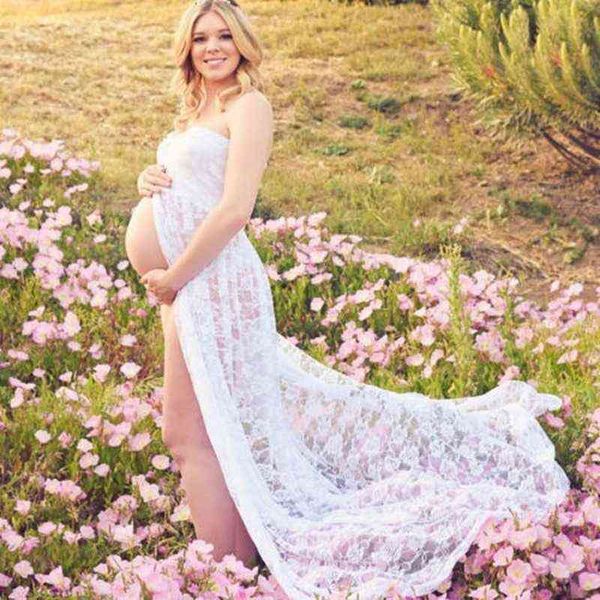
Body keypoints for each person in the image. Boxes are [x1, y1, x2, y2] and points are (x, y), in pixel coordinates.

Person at [128, 1, 571, 598]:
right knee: (203, 430)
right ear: (187, 47)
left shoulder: (248, 106)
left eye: (224, 35)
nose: (213, 47)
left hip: (209, 280)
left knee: (190, 433)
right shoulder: (196, 109)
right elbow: (193, 183)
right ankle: (233, 565)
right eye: (201, 37)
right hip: (184, 286)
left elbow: (235, 210)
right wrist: (149, 182)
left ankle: (220, 573)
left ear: (243, 43)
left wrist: (175, 274)